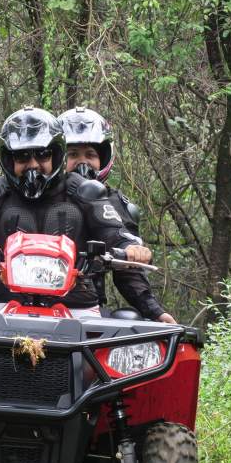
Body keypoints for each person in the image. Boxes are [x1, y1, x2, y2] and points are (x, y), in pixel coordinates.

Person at [0, 106, 151, 312]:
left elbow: (115, 234)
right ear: (9, 160)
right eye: (22, 156)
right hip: (7, 305)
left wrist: (131, 249)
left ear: (55, 154)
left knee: (128, 333)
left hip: (79, 306)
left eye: (42, 154)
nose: (33, 165)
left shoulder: (86, 192)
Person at [58, 107, 176, 324]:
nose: (82, 162)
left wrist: (155, 310)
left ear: (103, 159)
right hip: (23, 296)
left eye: (91, 155)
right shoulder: (37, 196)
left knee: (129, 323)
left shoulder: (115, 204)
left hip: (83, 305)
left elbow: (128, 270)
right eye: (73, 154)